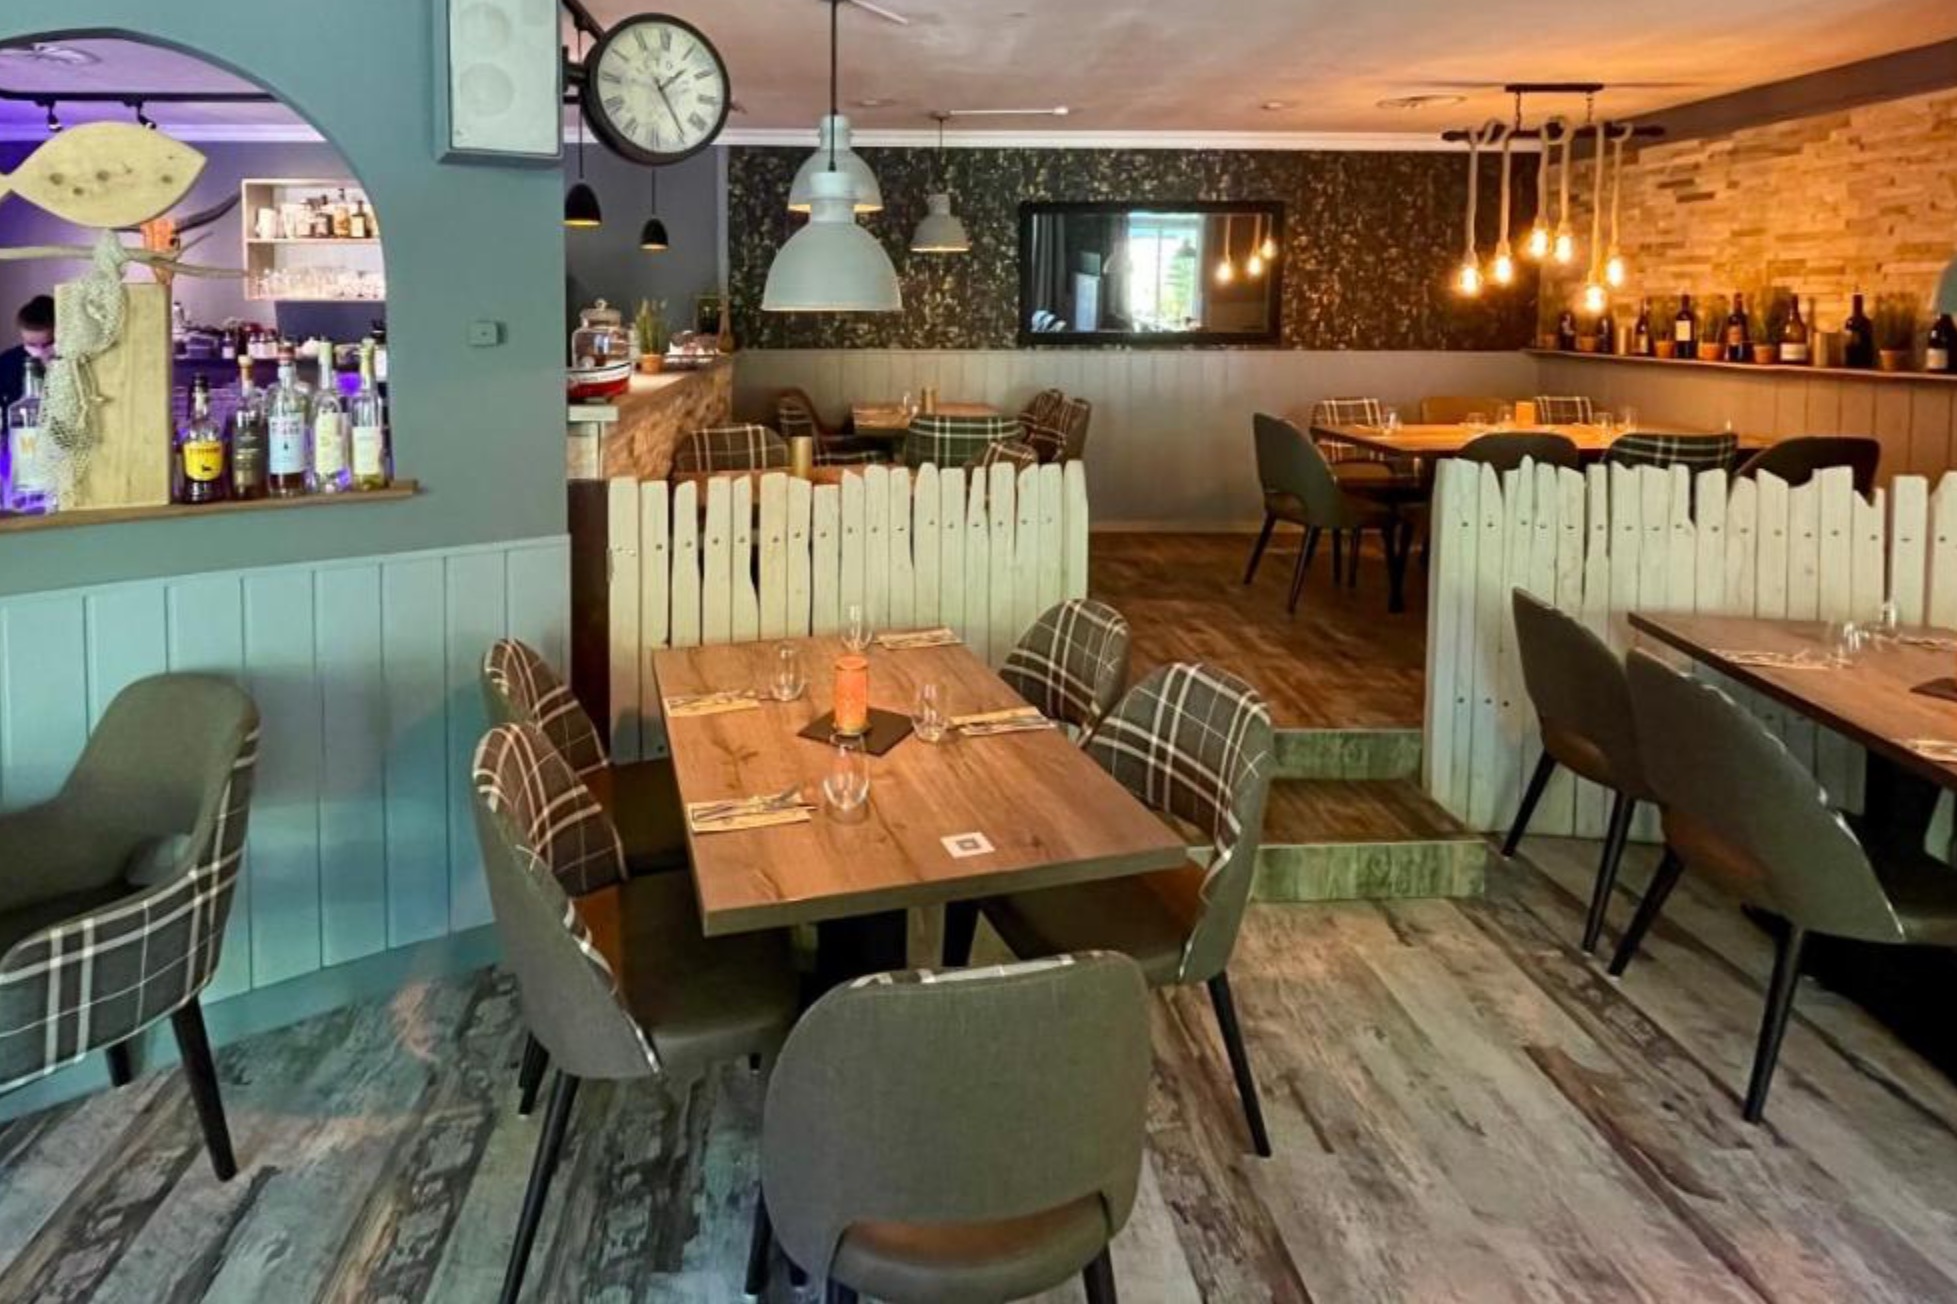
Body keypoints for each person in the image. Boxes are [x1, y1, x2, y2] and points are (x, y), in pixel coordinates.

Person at [0, 295, 55, 414]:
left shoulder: (75, 361)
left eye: (48, 344)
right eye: (31, 344)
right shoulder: (7, 361)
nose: (40, 352)